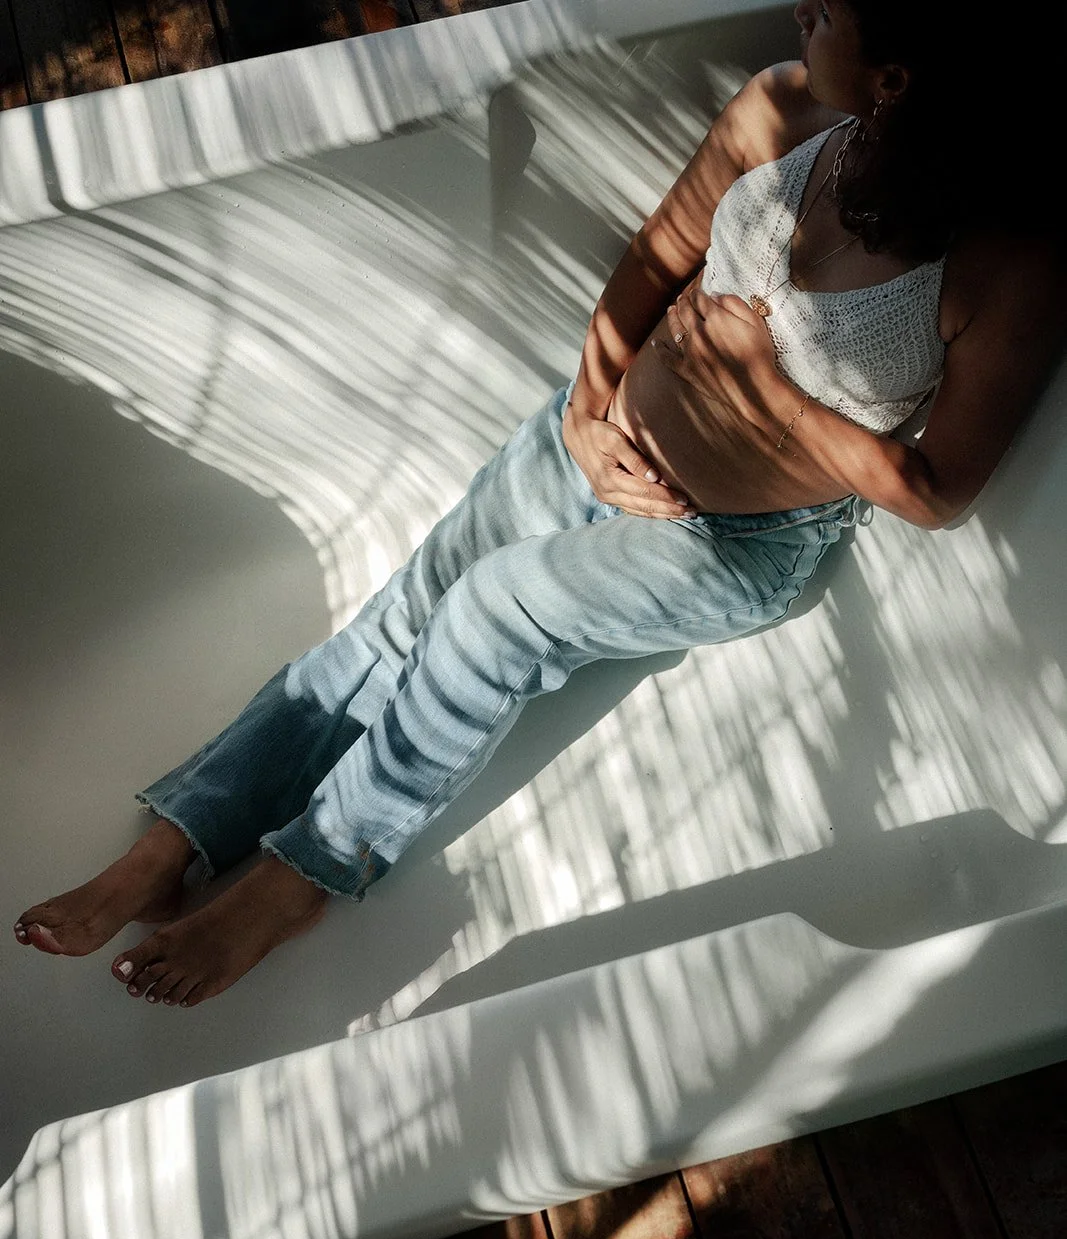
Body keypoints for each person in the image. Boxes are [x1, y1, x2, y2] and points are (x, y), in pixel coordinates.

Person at [14, 0, 1066, 1007]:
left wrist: (773, 395)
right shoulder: (783, 107)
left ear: (894, 77)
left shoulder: (1008, 266)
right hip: (597, 435)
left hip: (737, 541)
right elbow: (658, 256)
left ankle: (302, 880)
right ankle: (175, 844)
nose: (797, 14)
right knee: (405, 611)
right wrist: (585, 411)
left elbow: (933, 494)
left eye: (826, 12)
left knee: (487, 612)